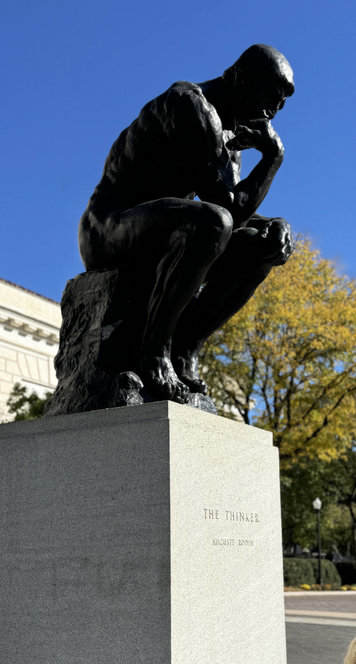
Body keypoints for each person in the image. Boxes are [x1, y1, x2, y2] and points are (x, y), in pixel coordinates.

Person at [78, 44, 295, 403]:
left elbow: (229, 207)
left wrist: (275, 224)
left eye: (282, 102)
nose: (274, 109)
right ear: (241, 77)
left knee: (263, 244)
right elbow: (225, 210)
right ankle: (154, 353)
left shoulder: (231, 136)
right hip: (108, 228)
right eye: (270, 94)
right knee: (213, 224)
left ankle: (184, 348)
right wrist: (273, 159)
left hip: (163, 225)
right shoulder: (189, 105)